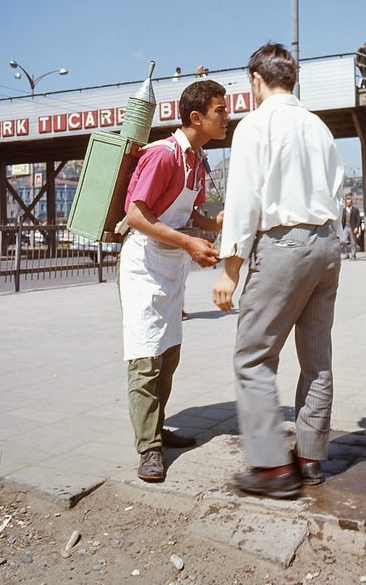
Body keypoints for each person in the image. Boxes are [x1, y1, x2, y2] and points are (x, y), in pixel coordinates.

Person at [212, 42, 344, 498]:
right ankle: (309, 458)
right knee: (316, 357)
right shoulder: (319, 126)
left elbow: (243, 201)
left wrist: (230, 269)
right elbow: (337, 191)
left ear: (256, 79)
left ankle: (271, 469)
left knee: (253, 358)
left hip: (283, 243)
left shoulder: (255, 125)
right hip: (327, 244)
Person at [119, 79, 229, 482]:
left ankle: (157, 428)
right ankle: (148, 448)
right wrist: (190, 242)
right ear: (196, 117)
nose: (227, 116)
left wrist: (210, 225)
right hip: (144, 267)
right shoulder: (163, 155)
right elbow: (136, 215)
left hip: (171, 267)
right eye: (221, 110)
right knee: (146, 354)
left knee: (168, 352)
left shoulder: (196, 160)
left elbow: (185, 213)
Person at [340, 195, 361, 260]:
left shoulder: (355, 210)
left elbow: (358, 219)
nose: (348, 203)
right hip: (345, 227)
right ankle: (346, 253)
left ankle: (353, 255)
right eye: (347, 202)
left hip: (352, 227)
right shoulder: (343, 210)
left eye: (350, 202)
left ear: (351, 202)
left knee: (353, 242)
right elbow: (341, 219)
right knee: (343, 241)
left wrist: (357, 227)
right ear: (346, 203)